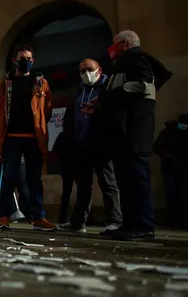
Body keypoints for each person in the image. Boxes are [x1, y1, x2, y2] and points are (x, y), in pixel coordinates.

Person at [101, 30, 172, 240]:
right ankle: (131, 224)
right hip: (124, 132)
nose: (111, 48)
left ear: (124, 43)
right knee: (126, 178)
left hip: (134, 130)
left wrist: (111, 95)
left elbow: (142, 83)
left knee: (136, 177)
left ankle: (143, 225)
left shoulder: (136, 57)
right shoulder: (124, 62)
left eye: (114, 43)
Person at [0, 47, 56, 231]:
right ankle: (4, 217)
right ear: (14, 60)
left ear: (33, 61)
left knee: (35, 179)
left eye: (28, 58)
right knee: (8, 178)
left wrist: (38, 125)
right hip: (11, 138)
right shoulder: (4, 84)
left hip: (33, 139)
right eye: (22, 58)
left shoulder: (41, 84)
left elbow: (47, 110)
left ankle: (38, 217)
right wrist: (4, 128)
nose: (25, 61)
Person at [57, 59, 122, 234]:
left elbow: (116, 113)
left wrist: (100, 108)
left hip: (101, 144)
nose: (86, 73)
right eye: (82, 70)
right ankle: (78, 222)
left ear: (99, 70)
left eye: (89, 69)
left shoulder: (108, 89)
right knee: (83, 186)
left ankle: (115, 220)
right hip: (80, 145)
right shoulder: (79, 91)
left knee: (108, 183)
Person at [153, 113, 188, 228]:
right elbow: (157, 147)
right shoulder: (169, 131)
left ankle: (181, 220)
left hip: (182, 169)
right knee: (172, 195)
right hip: (171, 168)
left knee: (182, 196)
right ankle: (173, 220)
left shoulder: (186, 132)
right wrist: (167, 156)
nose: (185, 125)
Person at [52, 130, 75, 224]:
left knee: (67, 193)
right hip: (69, 165)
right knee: (83, 191)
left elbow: (55, 151)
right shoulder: (65, 135)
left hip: (67, 166)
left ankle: (63, 217)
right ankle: (63, 217)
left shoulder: (63, 135)